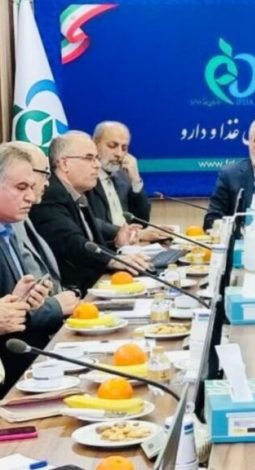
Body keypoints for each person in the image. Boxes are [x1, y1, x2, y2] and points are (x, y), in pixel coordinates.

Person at [29, 131, 151, 294]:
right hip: (73, 293)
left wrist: (116, 245)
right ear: (64, 164)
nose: (97, 165)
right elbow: (71, 243)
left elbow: (90, 244)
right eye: (89, 158)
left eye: (97, 158)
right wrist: (114, 260)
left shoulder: (76, 194)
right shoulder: (50, 195)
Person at [0, 143, 63, 396]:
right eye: (21, 187)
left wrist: (23, 301)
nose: (31, 197)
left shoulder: (8, 230)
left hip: (22, 365)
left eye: (31, 187)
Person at [91, 121, 166, 241]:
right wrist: (132, 233)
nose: (119, 154)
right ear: (95, 144)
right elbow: (88, 221)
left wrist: (136, 180)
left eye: (124, 148)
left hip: (130, 245)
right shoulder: (85, 177)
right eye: (112, 146)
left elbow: (141, 222)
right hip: (105, 246)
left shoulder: (122, 177)